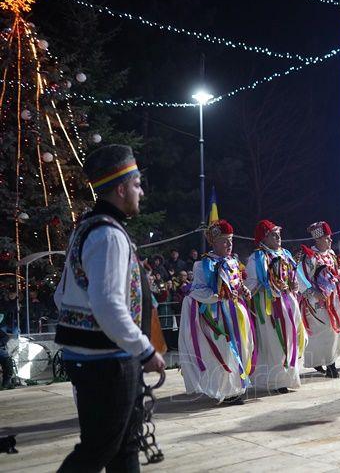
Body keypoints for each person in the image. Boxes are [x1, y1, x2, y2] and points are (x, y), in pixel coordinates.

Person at [53, 144, 166, 472]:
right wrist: (144, 349)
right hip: (107, 363)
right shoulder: (108, 235)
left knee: (124, 447)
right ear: (120, 189)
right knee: (99, 450)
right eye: (136, 185)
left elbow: (61, 296)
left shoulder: (88, 227)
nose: (141, 192)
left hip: (95, 358)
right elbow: (109, 306)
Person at [179, 219, 257, 404]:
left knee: (242, 347)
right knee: (225, 350)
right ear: (213, 242)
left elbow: (237, 283)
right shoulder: (203, 265)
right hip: (217, 317)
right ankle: (228, 391)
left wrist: (244, 290)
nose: (229, 244)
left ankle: (236, 387)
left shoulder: (233, 261)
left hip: (236, 312)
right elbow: (198, 291)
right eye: (224, 241)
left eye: (231, 240)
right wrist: (220, 296)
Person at [245, 219, 306, 394]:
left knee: (293, 337)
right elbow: (251, 284)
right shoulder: (257, 258)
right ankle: (276, 381)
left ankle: (289, 377)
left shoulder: (285, 253)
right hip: (269, 307)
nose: (278, 237)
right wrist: (269, 285)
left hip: (289, 302)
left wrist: (294, 285)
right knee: (275, 342)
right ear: (263, 238)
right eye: (273, 234)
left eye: (278, 234)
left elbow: (293, 275)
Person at [298, 221, 340, 378]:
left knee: (334, 330)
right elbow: (300, 278)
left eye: (330, 237)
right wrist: (313, 293)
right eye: (327, 238)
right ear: (318, 239)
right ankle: (330, 364)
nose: (330, 240)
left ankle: (327, 361)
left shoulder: (331, 254)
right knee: (325, 331)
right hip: (317, 302)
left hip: (334, 299)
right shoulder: (309, 257)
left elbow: (336, 272)